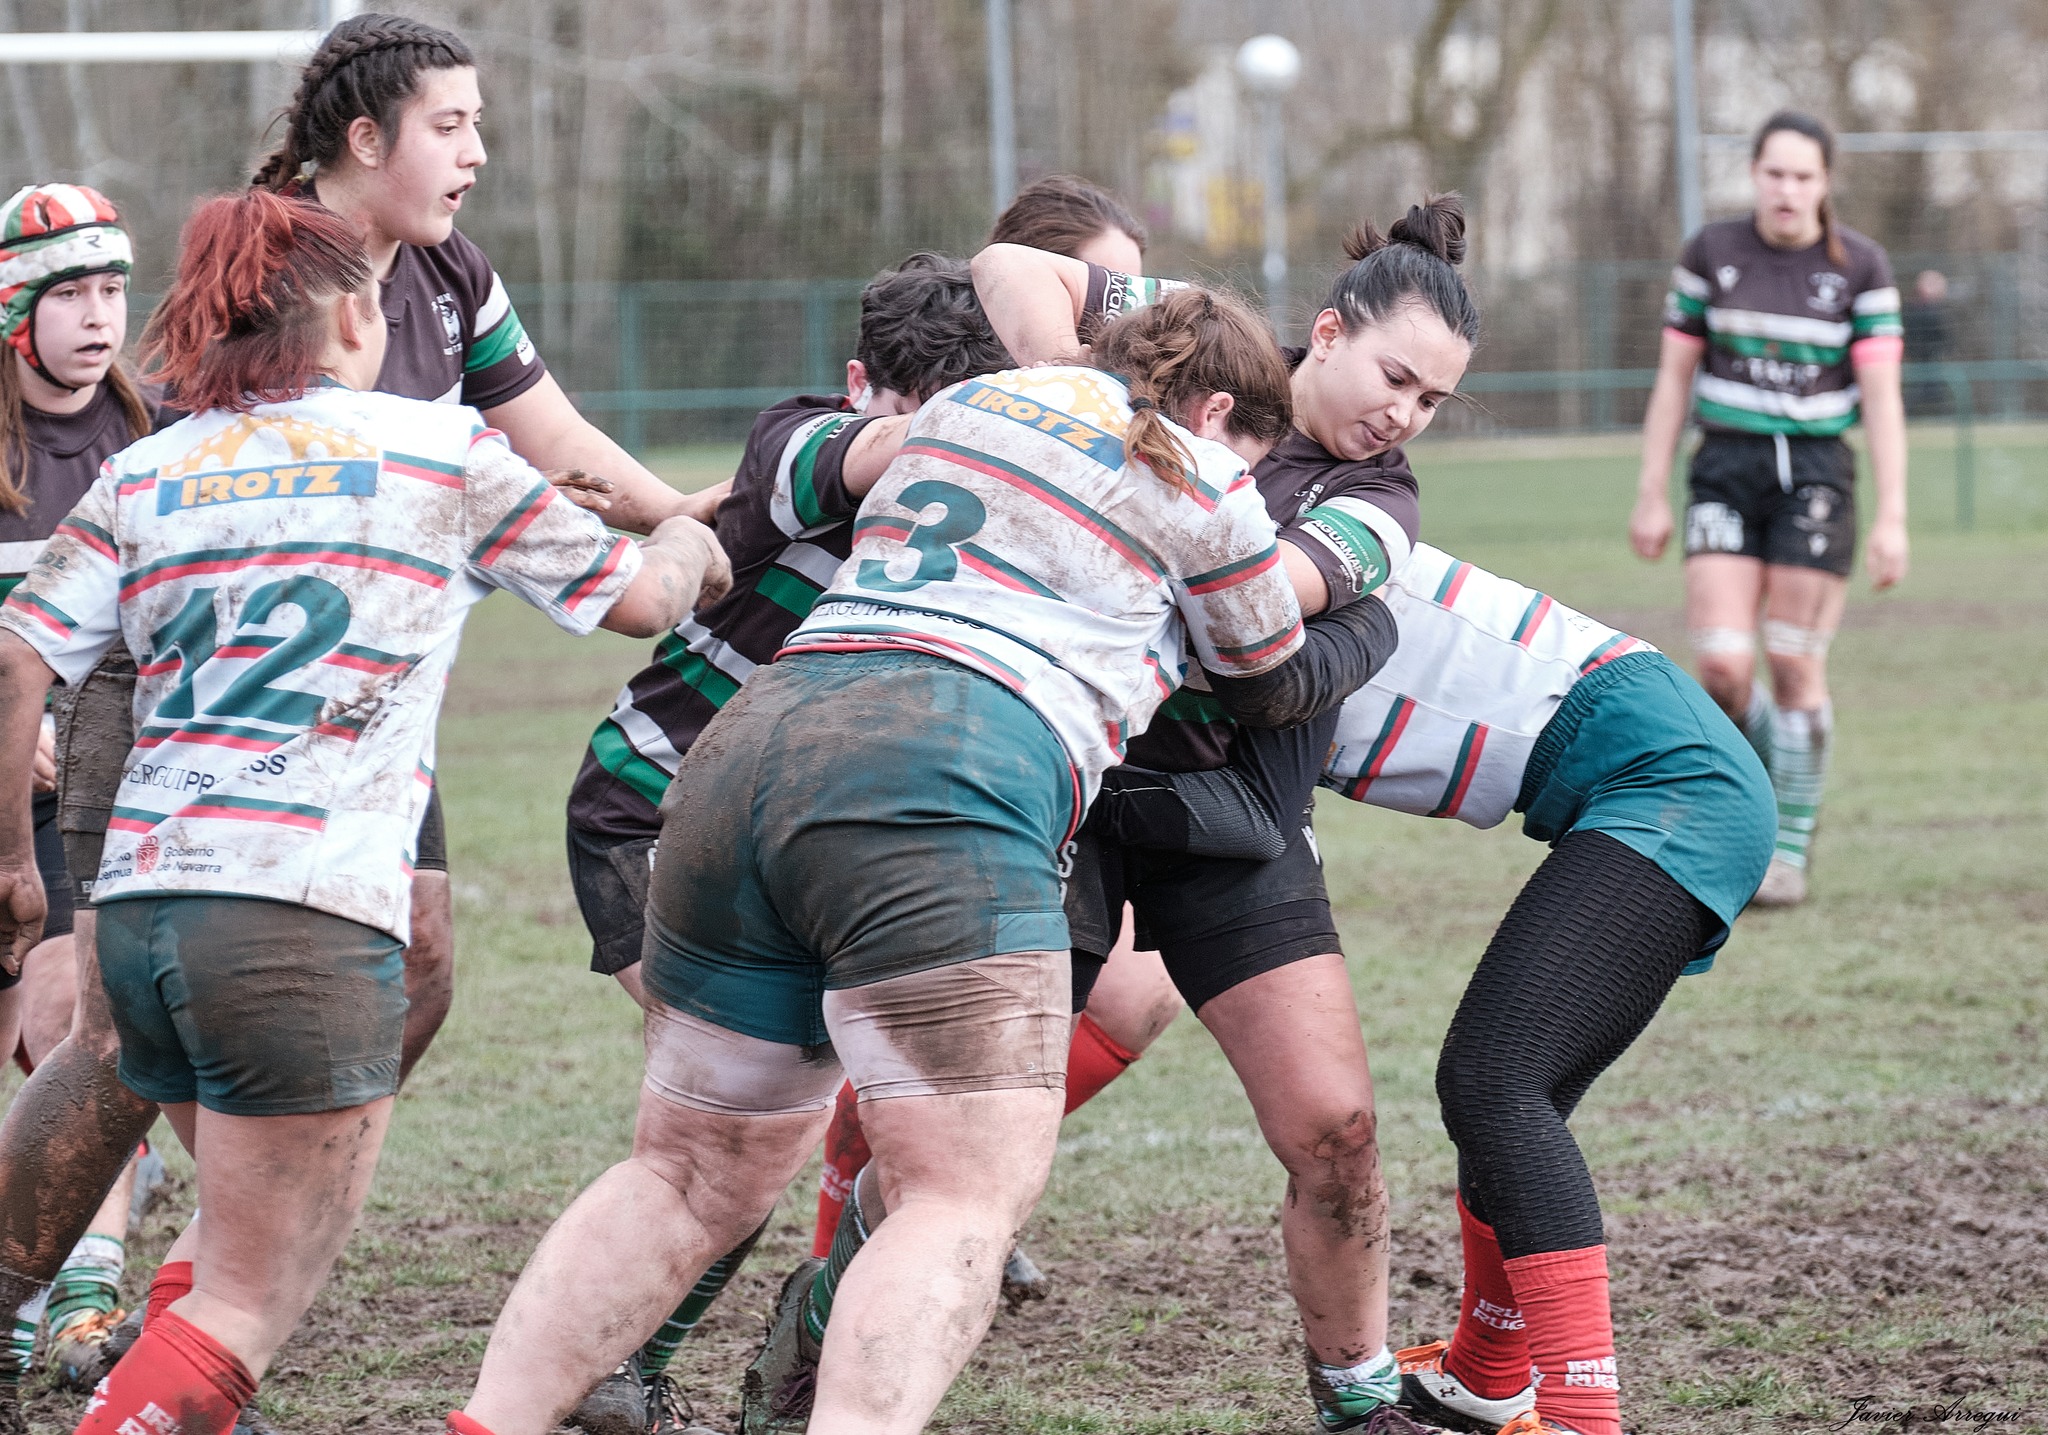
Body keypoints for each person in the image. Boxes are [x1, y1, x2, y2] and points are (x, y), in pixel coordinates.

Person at [450, 285, 1394, 1435]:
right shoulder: (1201, 478)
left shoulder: (979, 398)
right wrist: (1363, 619)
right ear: (1211, 409)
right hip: (943, 777)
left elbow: (815, 462)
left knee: (683, 1175)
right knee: (956, 1194)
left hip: (747, 751)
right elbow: (1261, 667)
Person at [0, 187, 725, 1435]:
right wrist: (681, 544)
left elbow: (16, 660)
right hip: (302, 916)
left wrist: (12, 856)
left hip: (141, 897)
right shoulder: (439, 453)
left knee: (159, 1154)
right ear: (349, 314)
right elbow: (640, 604)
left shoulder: (150, 465)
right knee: (246, 1296)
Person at [797, 199, 1477, 1435]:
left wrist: (1339, 627)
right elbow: (1004, 261)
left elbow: (1258, 628)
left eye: (1430, 401)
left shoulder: (1377, 499)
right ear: (1321, 332)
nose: (1401, 415)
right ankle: (813, 1343)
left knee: (1335, 1129)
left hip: (1224, 811)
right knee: (968, 1147)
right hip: (1055, 785)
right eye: (1392, 376)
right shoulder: (1198, 351)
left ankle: (1359, 1397)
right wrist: (1077, 394)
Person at [1098, 544, 1776, 1435]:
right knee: (1514, 1092)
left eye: (1425, 394)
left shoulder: (1282, 529)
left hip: (1675, 779)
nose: (1405, 414)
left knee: (1497, 1084)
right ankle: (1487, 1375)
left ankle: (1583, 1416)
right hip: (1650, 771)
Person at [557, 252, 1015, 1435]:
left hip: (775, 825)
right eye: (920, 412)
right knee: (739, 1128)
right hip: (645, 810)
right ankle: (621, 1368)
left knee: (758, 1126)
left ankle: (658, 1364)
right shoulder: (800, 441)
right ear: (861, 384)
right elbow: (867, 458)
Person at [1629, 108, 1907, 908]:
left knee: (1792, 661)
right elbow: (1672, 381)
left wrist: (1893, 514)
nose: (1788, 189)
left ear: (1826, 184)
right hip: (1724, 467)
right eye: (1775, 173)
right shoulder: (1709, 254)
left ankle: (1786, 846)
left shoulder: (1861, 266)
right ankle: (1760, 801)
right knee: (1721, 666)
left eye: (1804, 176)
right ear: (1754, 175)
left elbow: (1883, 401)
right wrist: (1651, 490)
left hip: (1818, 472)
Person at [0, 181, 171, 1406]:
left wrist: (74, 727)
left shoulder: (152, 433)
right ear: (17, 311)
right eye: (71, 293)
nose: (101, 316)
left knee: (76, 1025)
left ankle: (81, 1289)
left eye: (114, 289)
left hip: (89, 791)